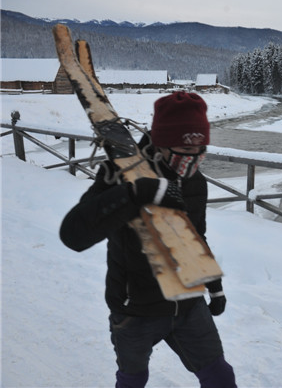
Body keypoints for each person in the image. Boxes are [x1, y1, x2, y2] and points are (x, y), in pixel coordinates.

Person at [59, 91, 237, 388]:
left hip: (189, 303)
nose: (194, 156)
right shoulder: (119, 173)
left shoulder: (195, 180)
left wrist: (214, 287)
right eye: (184, 146)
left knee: (219, 376)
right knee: (133, 379)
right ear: (161, 142)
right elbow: (74, 235)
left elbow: (197, 235)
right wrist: (137, 193)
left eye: (201, 146)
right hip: (135, 309)